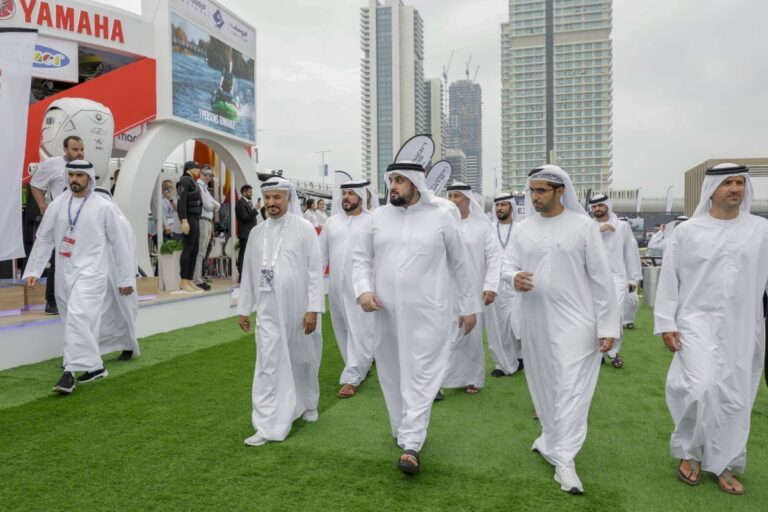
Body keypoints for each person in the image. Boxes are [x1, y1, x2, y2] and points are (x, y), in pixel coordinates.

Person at [353, 161, 479, 474]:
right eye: (391, 179)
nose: (393, 185)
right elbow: (360, 260)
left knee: (422, 374)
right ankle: (402, 429)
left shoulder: (441, 216)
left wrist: (469, 306)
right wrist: (363, 291)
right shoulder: (377, 218)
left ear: (415, 183)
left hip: (429, 311)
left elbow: (461, 265)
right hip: (385, 313)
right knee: (392, 374)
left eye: (399, 180)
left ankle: (412, 443)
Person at [502, 165, 618, 494]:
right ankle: (550, 439)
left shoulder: (583, 226)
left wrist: (607, 325)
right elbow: (505, 263)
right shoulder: (523, 229)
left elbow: (601, 279)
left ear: (559, 191)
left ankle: (565, 461)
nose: (534, 196)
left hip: (578, 321)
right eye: (532, 190)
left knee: (572, 388)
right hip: (536, 320)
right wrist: (513, 278)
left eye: (541, 191)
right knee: (546, 387)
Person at [654, 163, 768, 496]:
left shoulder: (761, 230)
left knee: (735, 396)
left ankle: (726, 461)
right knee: (699, 387)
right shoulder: (688, 231)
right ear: (712, 189)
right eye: (728, 183)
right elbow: (669, 280)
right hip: (695, 322)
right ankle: (690, 451)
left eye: (740, 183)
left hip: (744, 325)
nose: (735, 188)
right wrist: (666, 322)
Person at [22, 161, 135, 394]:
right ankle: (95, 367)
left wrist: (125, 279)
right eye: (71, 174)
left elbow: (119, 245)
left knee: (78, 316)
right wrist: (34, 269)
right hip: (64, 273)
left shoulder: (104, 207)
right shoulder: (57, 205)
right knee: (74, 318)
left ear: (89, 178)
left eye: (80, 175)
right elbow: (44, 238)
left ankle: (69, 373)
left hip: (92, 274)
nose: (74, 179)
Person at [238, 176, 324, 447]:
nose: (272, 203)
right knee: (268, 363)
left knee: (303, 358)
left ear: (289, 198)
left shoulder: (304, 229)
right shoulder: (256, 232)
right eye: (268, 198)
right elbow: (249, 273)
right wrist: (244, 307)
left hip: (299, 310)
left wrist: (313, 309)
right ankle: (267, 424)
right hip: (267, 311)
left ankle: (308, 403)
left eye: (277, 197)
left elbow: (314, 272)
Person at [442, 181, 500, 396]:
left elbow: (494, 257)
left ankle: (472, 378)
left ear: (468, 199)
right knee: (443, 333)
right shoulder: (443, 223)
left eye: (457, 196)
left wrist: (491, 286)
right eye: (450, 196)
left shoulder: (482, 226)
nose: (453, 200)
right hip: (445, 287)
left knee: (470, 335)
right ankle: (439, 380)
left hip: (473, 287)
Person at [319, 180, 376, 399]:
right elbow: (320, 255)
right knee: (342, 329)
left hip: (362, 288)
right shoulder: (331, 223)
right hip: (335, 287)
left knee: (360, 330)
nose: (347, 197)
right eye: (344, 193)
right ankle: (360, 364)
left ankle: (352, 377)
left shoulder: (372, 221)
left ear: (361, 196)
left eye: (352, 193)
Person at [29, 135, 85, 314]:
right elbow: (35, 184)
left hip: (79, 221)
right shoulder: (53, 164)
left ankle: (72, 298)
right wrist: (42, 205)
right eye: (75, 149)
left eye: (81, 149)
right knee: (56, 261)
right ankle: (51, 300)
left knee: (76, 260)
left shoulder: (84, 167)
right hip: (58, 220)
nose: (79, 153)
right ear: (65, 150)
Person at [588, 194, 641, 368]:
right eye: (594, 207)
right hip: (593, 278)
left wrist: (633, 278)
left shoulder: (622, 226)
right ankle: (599, 352)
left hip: (618, 277)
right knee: (596, 316)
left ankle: (614, 352)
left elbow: (630, 251)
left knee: (616, 315)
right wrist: (598, 230)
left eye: (600, 206)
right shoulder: (588, 226)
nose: (597, 209)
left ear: (608, 206)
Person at [93, 186, 140, 362]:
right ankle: (86, 353)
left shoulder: (120, 221)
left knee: (124, 313)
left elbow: (127, 251)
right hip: (99, 275)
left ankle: (128, 347)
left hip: (120, 277)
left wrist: (125, 279)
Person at [486, 193, 523, 377]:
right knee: (499, 325)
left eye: (503, 205)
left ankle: (520, 355)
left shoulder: (521, 228)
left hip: (516, 282)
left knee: (516, 322)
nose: (500, 208)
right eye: (497, 205)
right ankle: (502, 363)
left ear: (511, 207)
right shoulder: (489, 229)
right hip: (494, 283)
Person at [177, 161, 203, 293]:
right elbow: (181, 202)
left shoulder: (193, 182)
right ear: (190, 169)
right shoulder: (185, 181)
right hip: (190, 218)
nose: (199, 170)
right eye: (197, 168)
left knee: (195, 249)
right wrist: (184, 220)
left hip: (196, 218)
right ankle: (183, 280)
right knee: (188, 249)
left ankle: (189, 279)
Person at [193, 166, 220, 291]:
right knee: (200, 252)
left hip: (208, 221)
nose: (209, 177)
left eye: (210, 175)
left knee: (203, 252)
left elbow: (217, 205)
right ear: (200, 174)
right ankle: (197, 280)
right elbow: (209, 206)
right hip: (203, 220)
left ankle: (199, 277)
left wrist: (214, 205)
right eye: (206, 174)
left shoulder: (205, 189)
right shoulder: (199, 186)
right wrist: (214, 205)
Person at [618, 217, 641, 329]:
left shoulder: (632, 241)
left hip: (630, 275)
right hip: (616, 275)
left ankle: (629, 320)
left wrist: (635, 277)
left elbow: (635, 260)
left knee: (632, 300)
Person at [236, 184, 261, 282]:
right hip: (245, 233)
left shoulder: (248, 202)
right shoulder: (240, 203)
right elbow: (245, 218)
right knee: (243, 254)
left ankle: (248, 275)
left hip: (251, 233)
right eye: (250, 192)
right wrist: (255, 210)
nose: (252, 194)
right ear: (244, 192)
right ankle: (241, 276)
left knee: (250, 254)